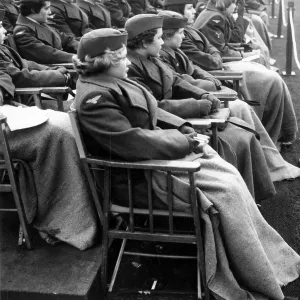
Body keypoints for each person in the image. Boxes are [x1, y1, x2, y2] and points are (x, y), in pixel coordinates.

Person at [72, 27, 300, 300]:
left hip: (156, 162)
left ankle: (266, 262)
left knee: (229, 175)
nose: (129, 62)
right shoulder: (94, 98)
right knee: (226, 191)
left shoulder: (113, 81)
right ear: (104, 62)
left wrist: (185, 129)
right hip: (138, 179)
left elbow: (155, 110)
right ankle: (252, 273)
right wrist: (186, 143)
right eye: (122, 58)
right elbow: (131, 143)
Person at [162, 0, 298, 146]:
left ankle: (279, 137)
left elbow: (210, 51)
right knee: (268, 81)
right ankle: (271, 143)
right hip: (216, 76)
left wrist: (214, 58)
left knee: (269, 77)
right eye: (189, 7)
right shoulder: (206, 21)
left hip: (214, 75)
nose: (194, 10)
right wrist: (208, 85)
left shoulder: (185, 34)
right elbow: (210, 61)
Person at [0, 9, 71, 88]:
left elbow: (24, 63)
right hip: (29, 95)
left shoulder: (3, 48)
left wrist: (53, 69)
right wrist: (58, 75)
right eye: (0, 26)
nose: (5, 31)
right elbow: (20, 77)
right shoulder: (23, 30)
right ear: (33, 10)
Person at [193, 0, 268, 66]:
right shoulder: (216, 18)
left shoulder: (213, 13)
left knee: (260, 53)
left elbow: (230, 40)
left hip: (216, 60)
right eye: (234, 3)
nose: (236, 7)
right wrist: (241, 55)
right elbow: (222, 51)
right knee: (260, 57)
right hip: (217, 65)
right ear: (226, 4)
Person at [13, 0, 79, 64]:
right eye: (46, 9)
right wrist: (73, 57)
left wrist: (83, 48)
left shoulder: (41, 24)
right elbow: (45, 53)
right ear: (33, 10)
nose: (50, 12)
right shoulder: (22, 31)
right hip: (47, 69)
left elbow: (67, 40)